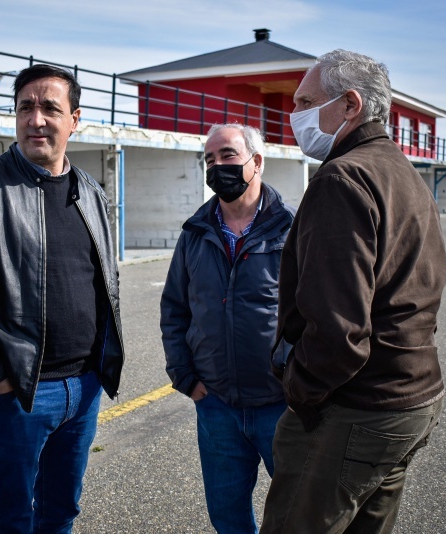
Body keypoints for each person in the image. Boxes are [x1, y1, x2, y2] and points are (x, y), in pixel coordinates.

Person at [260, 49, 446, 533]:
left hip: (357, 408)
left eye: (304, 102)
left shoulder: (344, 178)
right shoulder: (402, 172)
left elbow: (338, 331)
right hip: (411, 400)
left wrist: (299, 394)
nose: (293, 114)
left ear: (349, 105)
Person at [0, 64, 125, 533]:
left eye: (50, 108)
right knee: (8, 515)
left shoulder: (92, 193)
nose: (36, 119)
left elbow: (106, 284)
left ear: (75, 119)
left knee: (61, 510)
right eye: (26, 107)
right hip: (20, 394)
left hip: (84, 388)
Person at [161, 123, 295, 533]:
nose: (218, 165)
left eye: (228, 156)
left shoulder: (293, 229)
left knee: (298, 515)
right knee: (228, 517)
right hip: (217, 405)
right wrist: (185, 377)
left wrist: (299, 382)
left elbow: (317, 314)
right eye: (210, 159)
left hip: (282, 405)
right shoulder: (195, 233)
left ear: (256, 162)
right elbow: (175, 308)